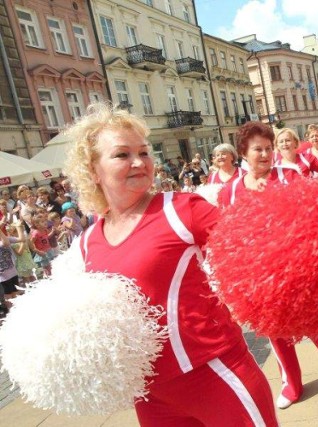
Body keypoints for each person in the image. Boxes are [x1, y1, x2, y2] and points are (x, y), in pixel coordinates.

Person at [63, 103, 278, 427]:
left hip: (216, 374)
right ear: (93, 170)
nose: (139, 162)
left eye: (144, 152)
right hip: (150, 395)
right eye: (122, 155)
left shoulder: (181, 209)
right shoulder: (86, 243)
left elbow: (254, 240)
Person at [218, 121, 318, 410]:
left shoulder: (289, 175)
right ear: (243, 152)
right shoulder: (229, 191)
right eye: (257, 150)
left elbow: (315, 214)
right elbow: (227, 234)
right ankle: (291, 385)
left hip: (300, 271)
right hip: (260, 277)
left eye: (268, 148)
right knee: (275, 333)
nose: (264, 154)